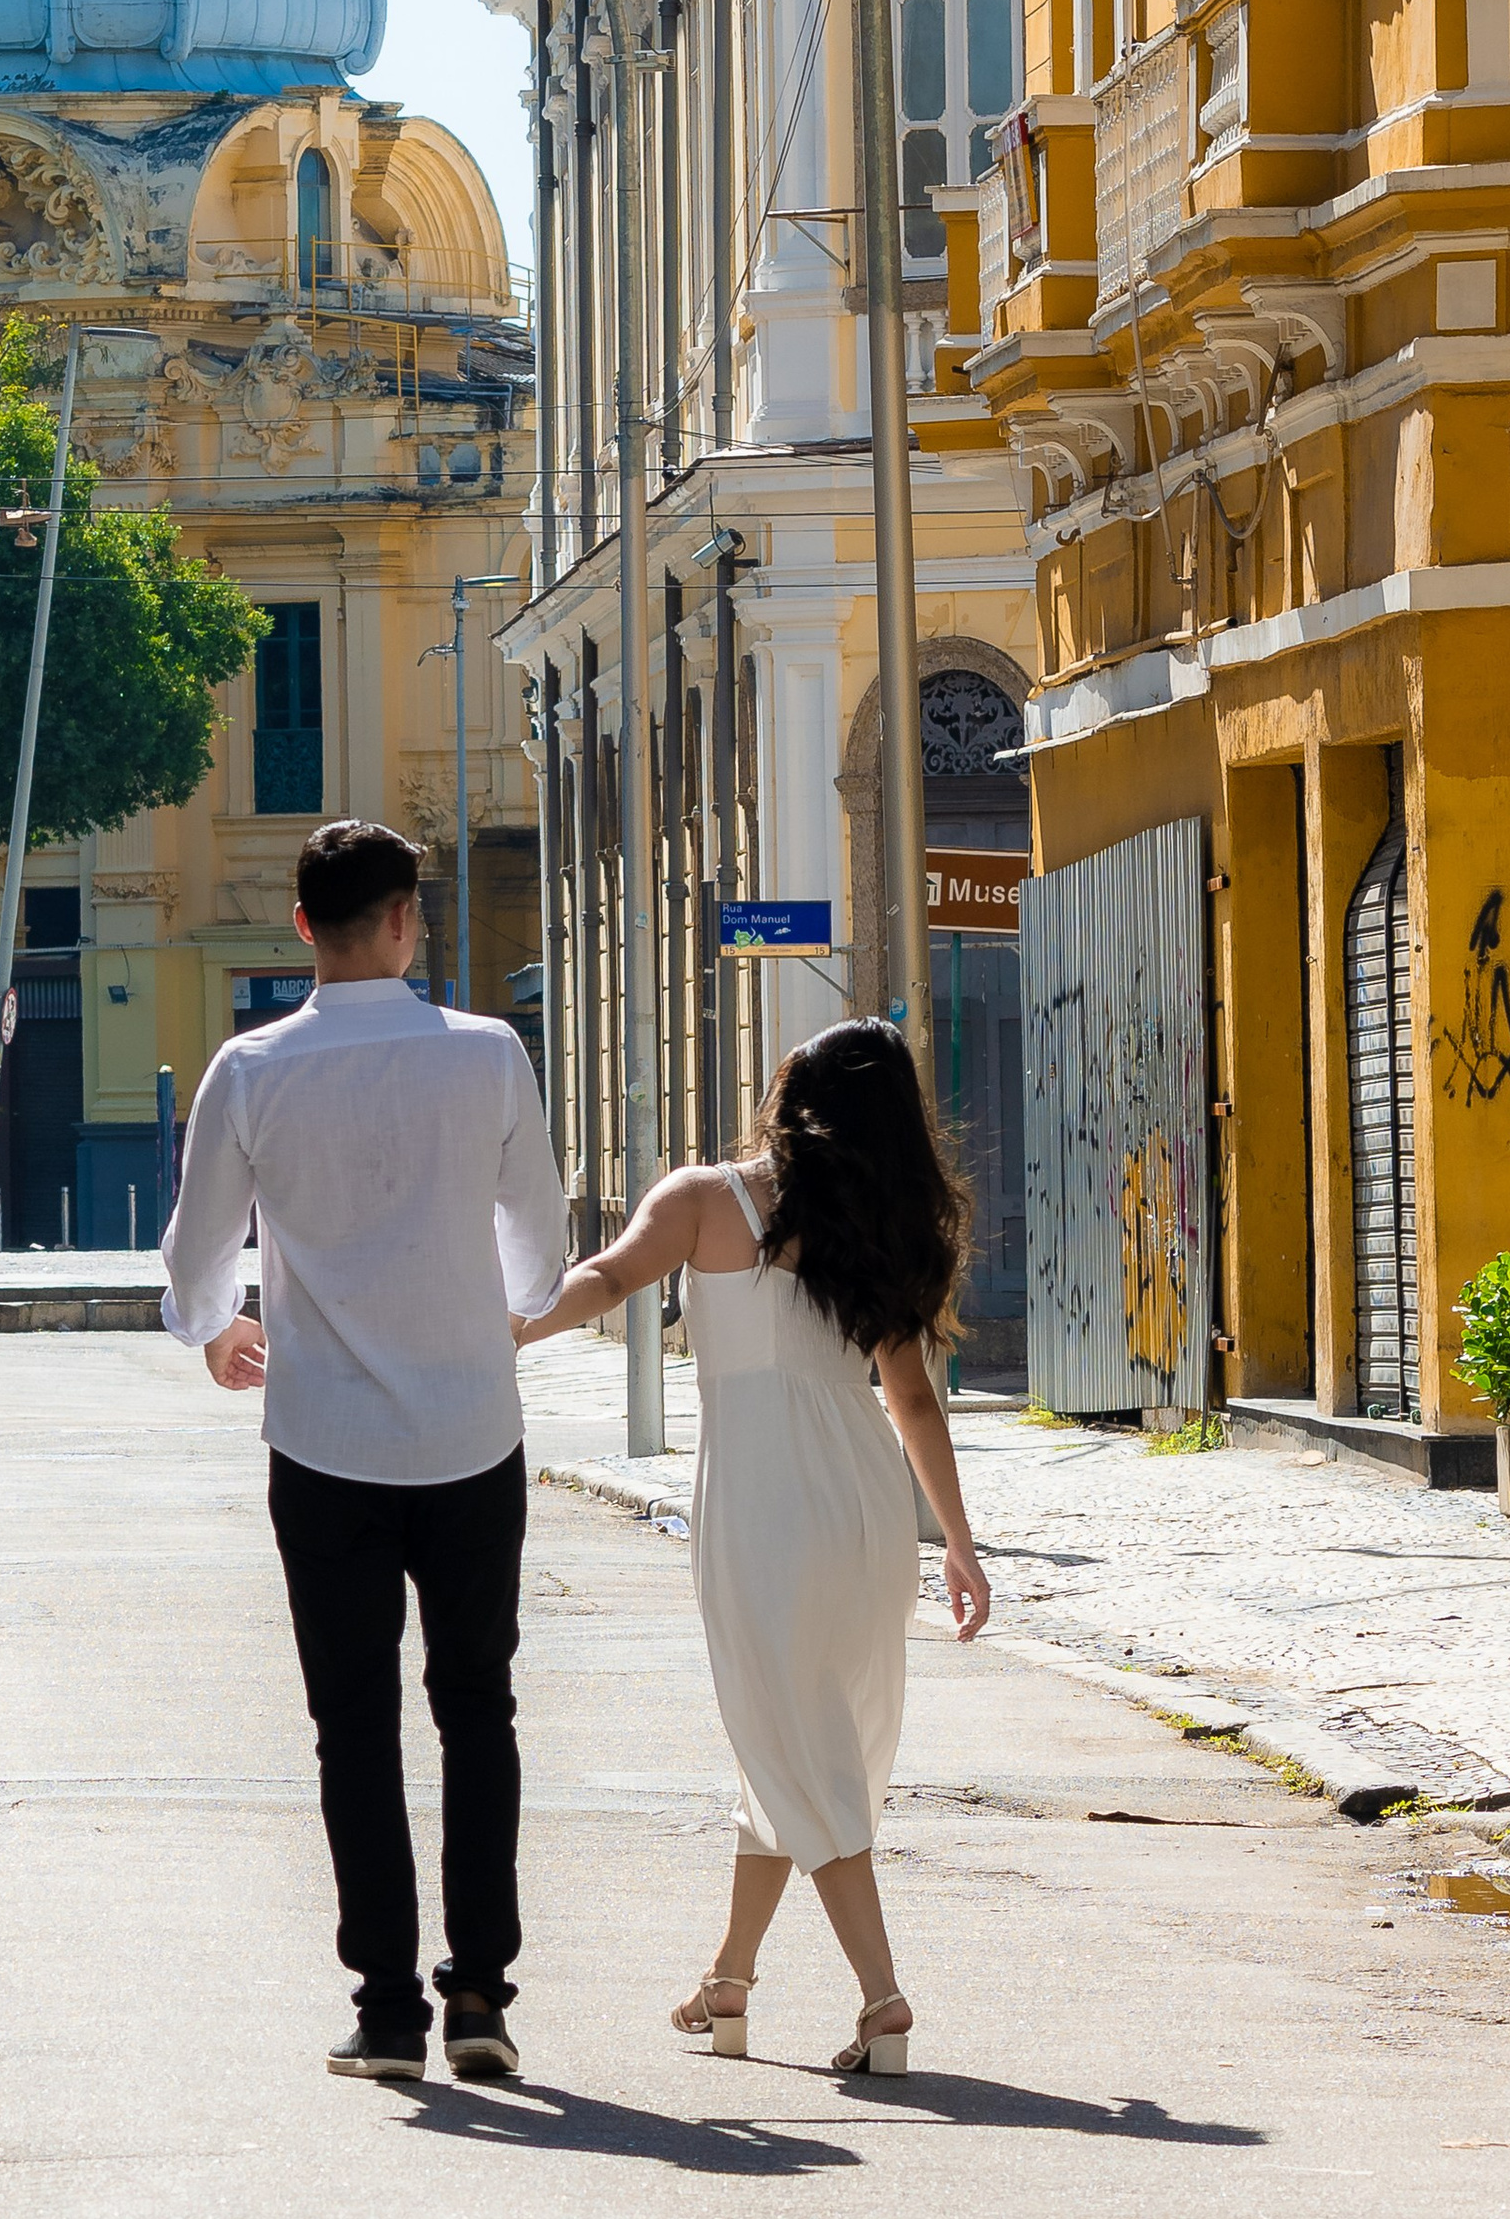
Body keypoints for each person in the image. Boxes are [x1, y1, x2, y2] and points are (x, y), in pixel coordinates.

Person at [159, 818, 568, 2087]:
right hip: (466, 1433)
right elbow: (541, 1246)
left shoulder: (251, 1068)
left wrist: (215, 1330)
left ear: (302, 929)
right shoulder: (489, 1054)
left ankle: (387, 2005)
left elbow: (193, 1256)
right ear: (406, 920)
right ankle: (482, 1994)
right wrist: (493, 1316)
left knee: (354, 1726)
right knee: (477, 1710)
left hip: (323, 1439)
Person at [515, 1016, 990, 2074]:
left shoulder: (701, 1198)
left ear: (787, 1091)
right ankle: (728, 1979)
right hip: (863, 1503)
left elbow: (605, 1278)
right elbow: (911, 1400)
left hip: (762, 1504)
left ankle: (882, 2000)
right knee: (793, 1741)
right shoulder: (877, 1222)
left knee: (798, 1744)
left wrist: (514, 1323)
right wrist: (958, 1544)